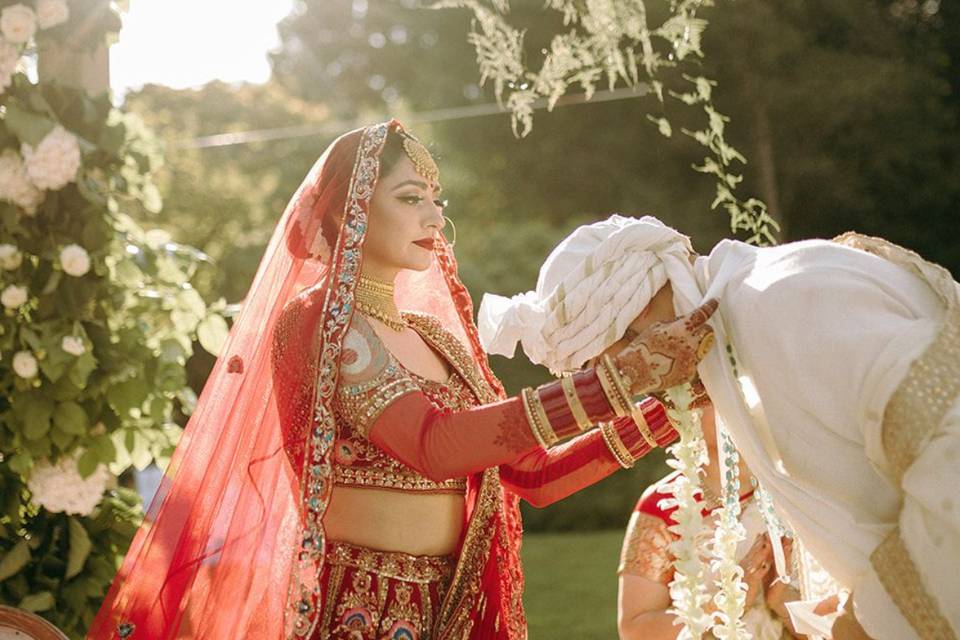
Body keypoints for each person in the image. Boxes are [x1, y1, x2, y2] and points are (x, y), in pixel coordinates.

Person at [87, 125, 718, 640]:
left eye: (436, 201)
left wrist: (674, 408)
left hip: (452, 603)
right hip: (356, 609)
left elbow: (535, 475)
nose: (434, 218)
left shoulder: (439, 339)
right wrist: (622, 377)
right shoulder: (320, 322)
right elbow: (435, 446)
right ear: (350, 207)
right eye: (411, 197)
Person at [479, 214, 960, 640]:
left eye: (620, 363)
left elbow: (950, 450)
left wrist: (871, 621)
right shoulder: (739, 338)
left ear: (638, 313)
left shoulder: (781, 300)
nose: (643, 384)